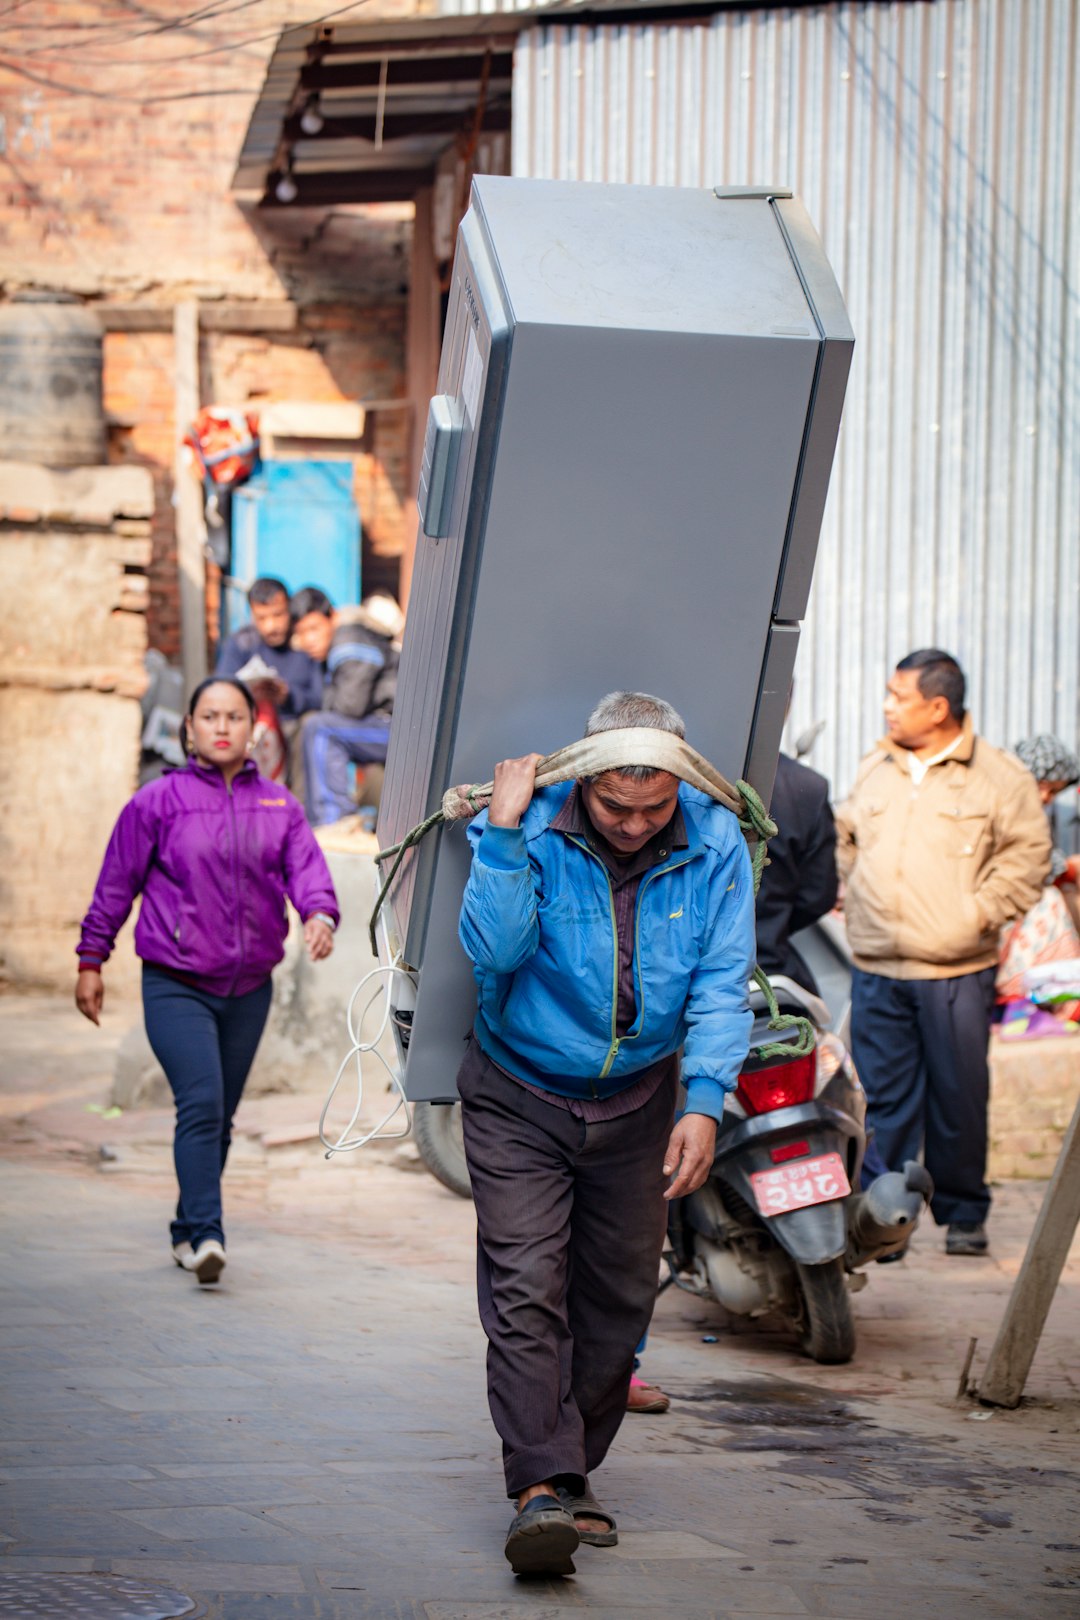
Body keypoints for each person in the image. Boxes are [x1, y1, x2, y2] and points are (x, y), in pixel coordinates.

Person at [455, 691, 755, 1576]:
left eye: (652, 808)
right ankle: (538, 1488)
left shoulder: (716, 839)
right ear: (585, 776)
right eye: (613, 805)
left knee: (620, 1303)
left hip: (637, 1103)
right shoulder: (529, 828)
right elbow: (496, 955)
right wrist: (505, 835)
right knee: (525, 1286)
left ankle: (573, 1467)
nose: (631, 825)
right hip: (519, 1092)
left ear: (680, 787)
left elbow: (721, 976)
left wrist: (704, 1099)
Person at [75, 676, 340, 1286]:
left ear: (255, 729)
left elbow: (307, 874)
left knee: (218, 1114)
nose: (222, 727)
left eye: (235, 717)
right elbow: (116, 886)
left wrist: (319, 915)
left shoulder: (279, 805)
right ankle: (209, 1234)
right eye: (210, 717)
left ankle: (184, 1228)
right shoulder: (156, 802)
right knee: (200, 1103)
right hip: (176, 983)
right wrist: (91, 960)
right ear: (188, 728)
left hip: (249, 988)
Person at [836, 650, 1050, 1258]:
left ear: (937, 706)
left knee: (958, 1094)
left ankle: (962, 1212)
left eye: (896, 696)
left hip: (956, 970)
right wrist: (859, 899)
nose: (885, 707)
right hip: (877, 966)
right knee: (880, 1097)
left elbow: (1028, 858)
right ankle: (887, 1217)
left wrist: (974, 915)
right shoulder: (875, 765)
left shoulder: (998, 776)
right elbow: (847, 840)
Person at [290, 586, 403, 826]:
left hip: (401, 730)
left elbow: (350, 705)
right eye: (302, 633)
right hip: (387, 727)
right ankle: (313, 818)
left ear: (332, 616)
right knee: (313, 723)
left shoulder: (348, 641)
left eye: (314, 628)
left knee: (321, 729)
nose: (308, 640)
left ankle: (333, 821)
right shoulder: (335, 645)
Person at [755, 749, 839, 996]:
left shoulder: (678, 776)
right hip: (768, 966)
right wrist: (774, 923)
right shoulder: (805, 785)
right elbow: (817, 894)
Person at [216, 577, 323, 721]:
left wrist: (287, 695)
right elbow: (221, 691)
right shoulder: (242, 643)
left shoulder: (305, 642)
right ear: (252, 615)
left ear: (289, 609)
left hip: (295, 730)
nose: (270, 627)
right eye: (261, 618)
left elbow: (321, 699)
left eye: (278, 615)